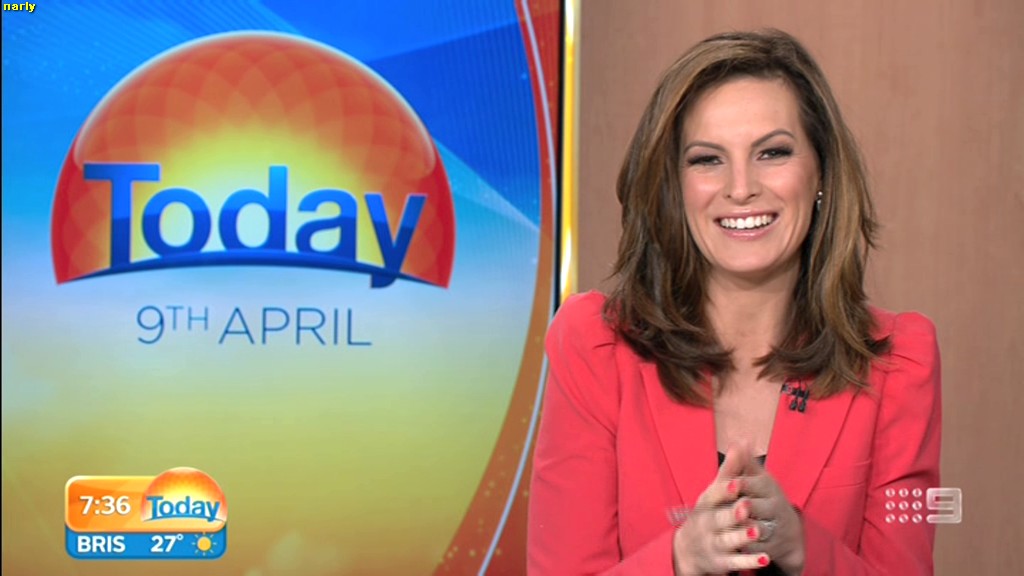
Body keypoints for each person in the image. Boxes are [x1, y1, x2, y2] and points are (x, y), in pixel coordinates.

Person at [527, 29, 941, 575]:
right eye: (707, 159)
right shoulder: (595, 347)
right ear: (674, 188)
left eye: (772, 152)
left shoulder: (898, 360)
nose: (741, 188)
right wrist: (681, 558)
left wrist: (803, 547)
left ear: (820, 173)